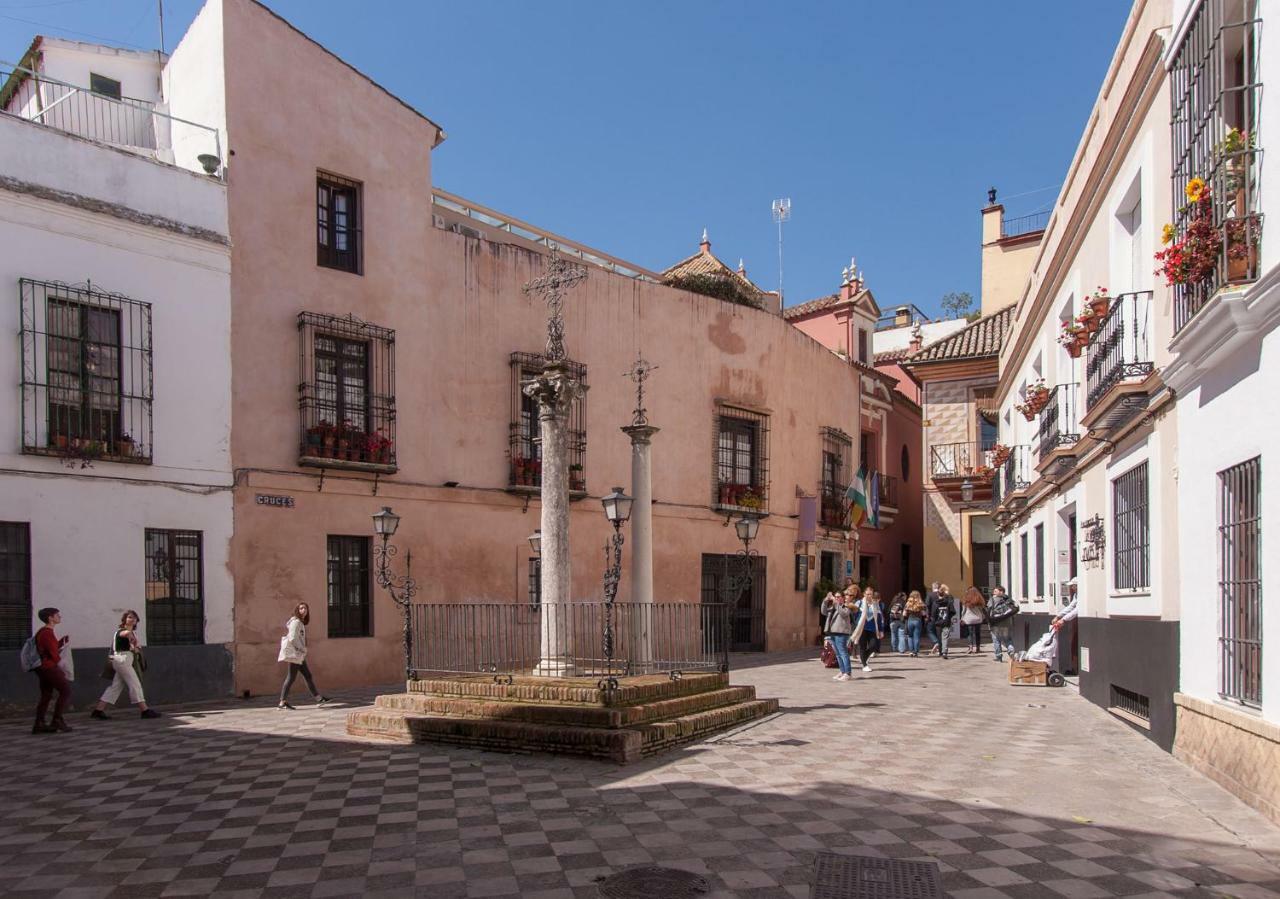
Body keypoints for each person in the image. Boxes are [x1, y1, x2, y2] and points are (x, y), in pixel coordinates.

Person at [91, 610, 161, 719]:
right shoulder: (121, 631)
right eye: (129, 617)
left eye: (134, 618)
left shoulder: (133, 633)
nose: (132, 619)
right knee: (135, 684)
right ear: (124, 619)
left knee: (115, 687)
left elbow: (135, 647)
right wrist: (130, 636)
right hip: (122, 659)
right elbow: (125, 634)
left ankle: (98, 710)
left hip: (125, 660)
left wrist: (135, 647)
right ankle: (145, 710)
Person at [278, 602, 331, 709]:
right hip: (296, 654)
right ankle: (282, 702)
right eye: (301, 608)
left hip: (298, 654)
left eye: (305, 608)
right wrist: (301, 649)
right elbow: (292, 638)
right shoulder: (296, 622)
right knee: (291, 677)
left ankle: (318, 698)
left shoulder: (300, 622)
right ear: (297, 610)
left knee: (307, 675)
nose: (303, 610)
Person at [32, 607, 72, 734]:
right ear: (50, 618)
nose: (59, 617)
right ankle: (57, 720)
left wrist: (60, 642)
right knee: (65, 691)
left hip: (42, 668)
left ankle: (39, 723)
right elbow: (53, 653)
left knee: (46, 694)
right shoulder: (47, 633)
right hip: (49, 667)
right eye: (57, 615)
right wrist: (60, 664)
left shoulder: (43, 632)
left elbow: (50, 648)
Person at [820, 591, 855, 682]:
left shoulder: (846, 606)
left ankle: (848, 673)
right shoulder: (832, 607)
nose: (836, 598)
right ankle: (842, 671)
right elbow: (823, 612)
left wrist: (837, 604)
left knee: (843, 653)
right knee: (838, 654)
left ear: (843, 598)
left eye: (838, 597)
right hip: (832, 632)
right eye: (835, 596)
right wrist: (825, 600)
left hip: (841, 633)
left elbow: (844, 614)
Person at [852, 589, 887, 672]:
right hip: (862, 629)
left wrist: (881, 629)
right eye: (867, 594)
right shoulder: (859, 603)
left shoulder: (875, 604)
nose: (869, 596)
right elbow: (854, 615)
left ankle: (864, 658)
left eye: (870, 594)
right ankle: (864, 665)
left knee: (873, 646)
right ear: (864, 594)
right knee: (863, 647)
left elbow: (879, 618)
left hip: (872, 628)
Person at [987, 586, 1019, 662]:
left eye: (995, 591)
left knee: (996, 639)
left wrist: (989, 621)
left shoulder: (992, 599)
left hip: (996, 622)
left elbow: (989, 610)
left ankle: (999, 656)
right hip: (1007, 623)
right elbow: (1015, 608)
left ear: (1001, 592)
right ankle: (1011, 651)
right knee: (1008, 639)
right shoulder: (1009, 599)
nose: (993, 592)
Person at [960, 587, 987, 653]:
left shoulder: (966, 600)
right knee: (978, 633)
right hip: (978, 619)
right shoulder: (979, 600)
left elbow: (963, 611)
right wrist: (983, 617)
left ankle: (971, 648)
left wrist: (962, 618)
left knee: (970, 634)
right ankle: (978, 648)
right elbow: (982, 611)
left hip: (969, 619)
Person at [931, 588, 955, 659]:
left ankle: (941, 652)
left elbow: (933, 613)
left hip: (938, 622)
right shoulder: (949, 602)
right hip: (946, 622)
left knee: (939, 638)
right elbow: (953, 611)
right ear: (944, 594)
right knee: (945, 638)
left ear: (938, 594)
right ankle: (945, 652)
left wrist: (935, 620)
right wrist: (948, 617)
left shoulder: (935, 603)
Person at [903, 590, 927, 657]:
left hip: (910, 620)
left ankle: (911, 651)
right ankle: (915, 652)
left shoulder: (908, 603)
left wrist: (905, 619)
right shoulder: (920, 603)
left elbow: (904, 614)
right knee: (916, 637)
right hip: (918, 620)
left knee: (910, 636)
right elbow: (923, 613)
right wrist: (925, 617)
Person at [925, 582, 943, 654]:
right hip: (941, 616)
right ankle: (939, 649)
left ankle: (936, 642)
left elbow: (927, 605)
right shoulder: (942, 595)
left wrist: (927, 615)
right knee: (939, 633)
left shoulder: (930, 595)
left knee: (930, 631)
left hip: (932, 616)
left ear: (933, 587)